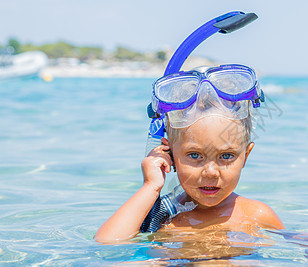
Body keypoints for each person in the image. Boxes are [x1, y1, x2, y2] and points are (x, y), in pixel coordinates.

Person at [95, 63, 284, 243]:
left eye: (226, 156)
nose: (211, 172)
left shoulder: (256, 214)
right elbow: (107, 242)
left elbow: (296, 243)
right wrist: (150, 187)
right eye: (195, 155)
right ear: (170, 155)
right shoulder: (163, 216)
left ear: (246, 156)